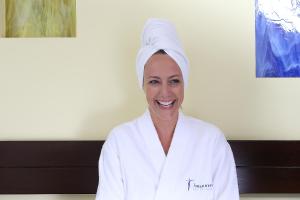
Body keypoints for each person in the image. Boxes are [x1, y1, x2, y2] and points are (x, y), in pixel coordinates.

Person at [95, 18, 239, 200]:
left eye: (174, 81)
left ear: (184, 83)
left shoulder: (212, 141)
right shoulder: (119, 142)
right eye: (154, 82)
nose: (165, 92)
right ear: (143, 85)